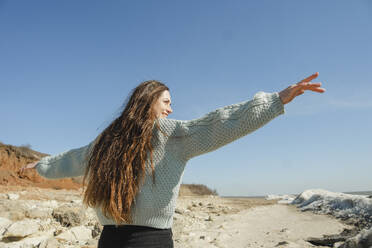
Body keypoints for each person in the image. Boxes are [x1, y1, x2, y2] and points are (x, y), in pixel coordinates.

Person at [20, 73, 325, 248]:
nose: (170, 109)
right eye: (166, 101)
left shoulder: (107, 139)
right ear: (147, 101)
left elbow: (74, 159)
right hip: (150, 242)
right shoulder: (167, 134)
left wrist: (43, 167)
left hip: (108, 241)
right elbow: (220, 123)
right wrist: (275, 101)